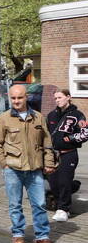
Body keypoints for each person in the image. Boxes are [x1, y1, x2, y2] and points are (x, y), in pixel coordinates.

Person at [0, 84, 57, 243]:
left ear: (26, 97)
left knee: (40, 204)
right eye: (13, 98)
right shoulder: (3, 119)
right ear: (9, 98)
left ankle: (42, 236)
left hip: (35, 170)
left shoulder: (39, 118)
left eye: (20, 97)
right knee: (15, 205)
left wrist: (48, 163)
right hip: (13, 169)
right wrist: (4, 164)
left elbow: (47, 142)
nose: (17, 101)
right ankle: (18, 234)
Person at [47, 89, 85, 222]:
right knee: (53, 182)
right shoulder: (51, 115)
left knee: (63, 181)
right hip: (53, 155)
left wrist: (68, 139)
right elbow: (46, 134)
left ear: (68, 97)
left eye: (60, 97)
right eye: (55, 98)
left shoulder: (78, 115)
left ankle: (64, 209)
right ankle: (70, 190)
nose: (57, 100)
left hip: (69, 154)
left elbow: (85, 134)